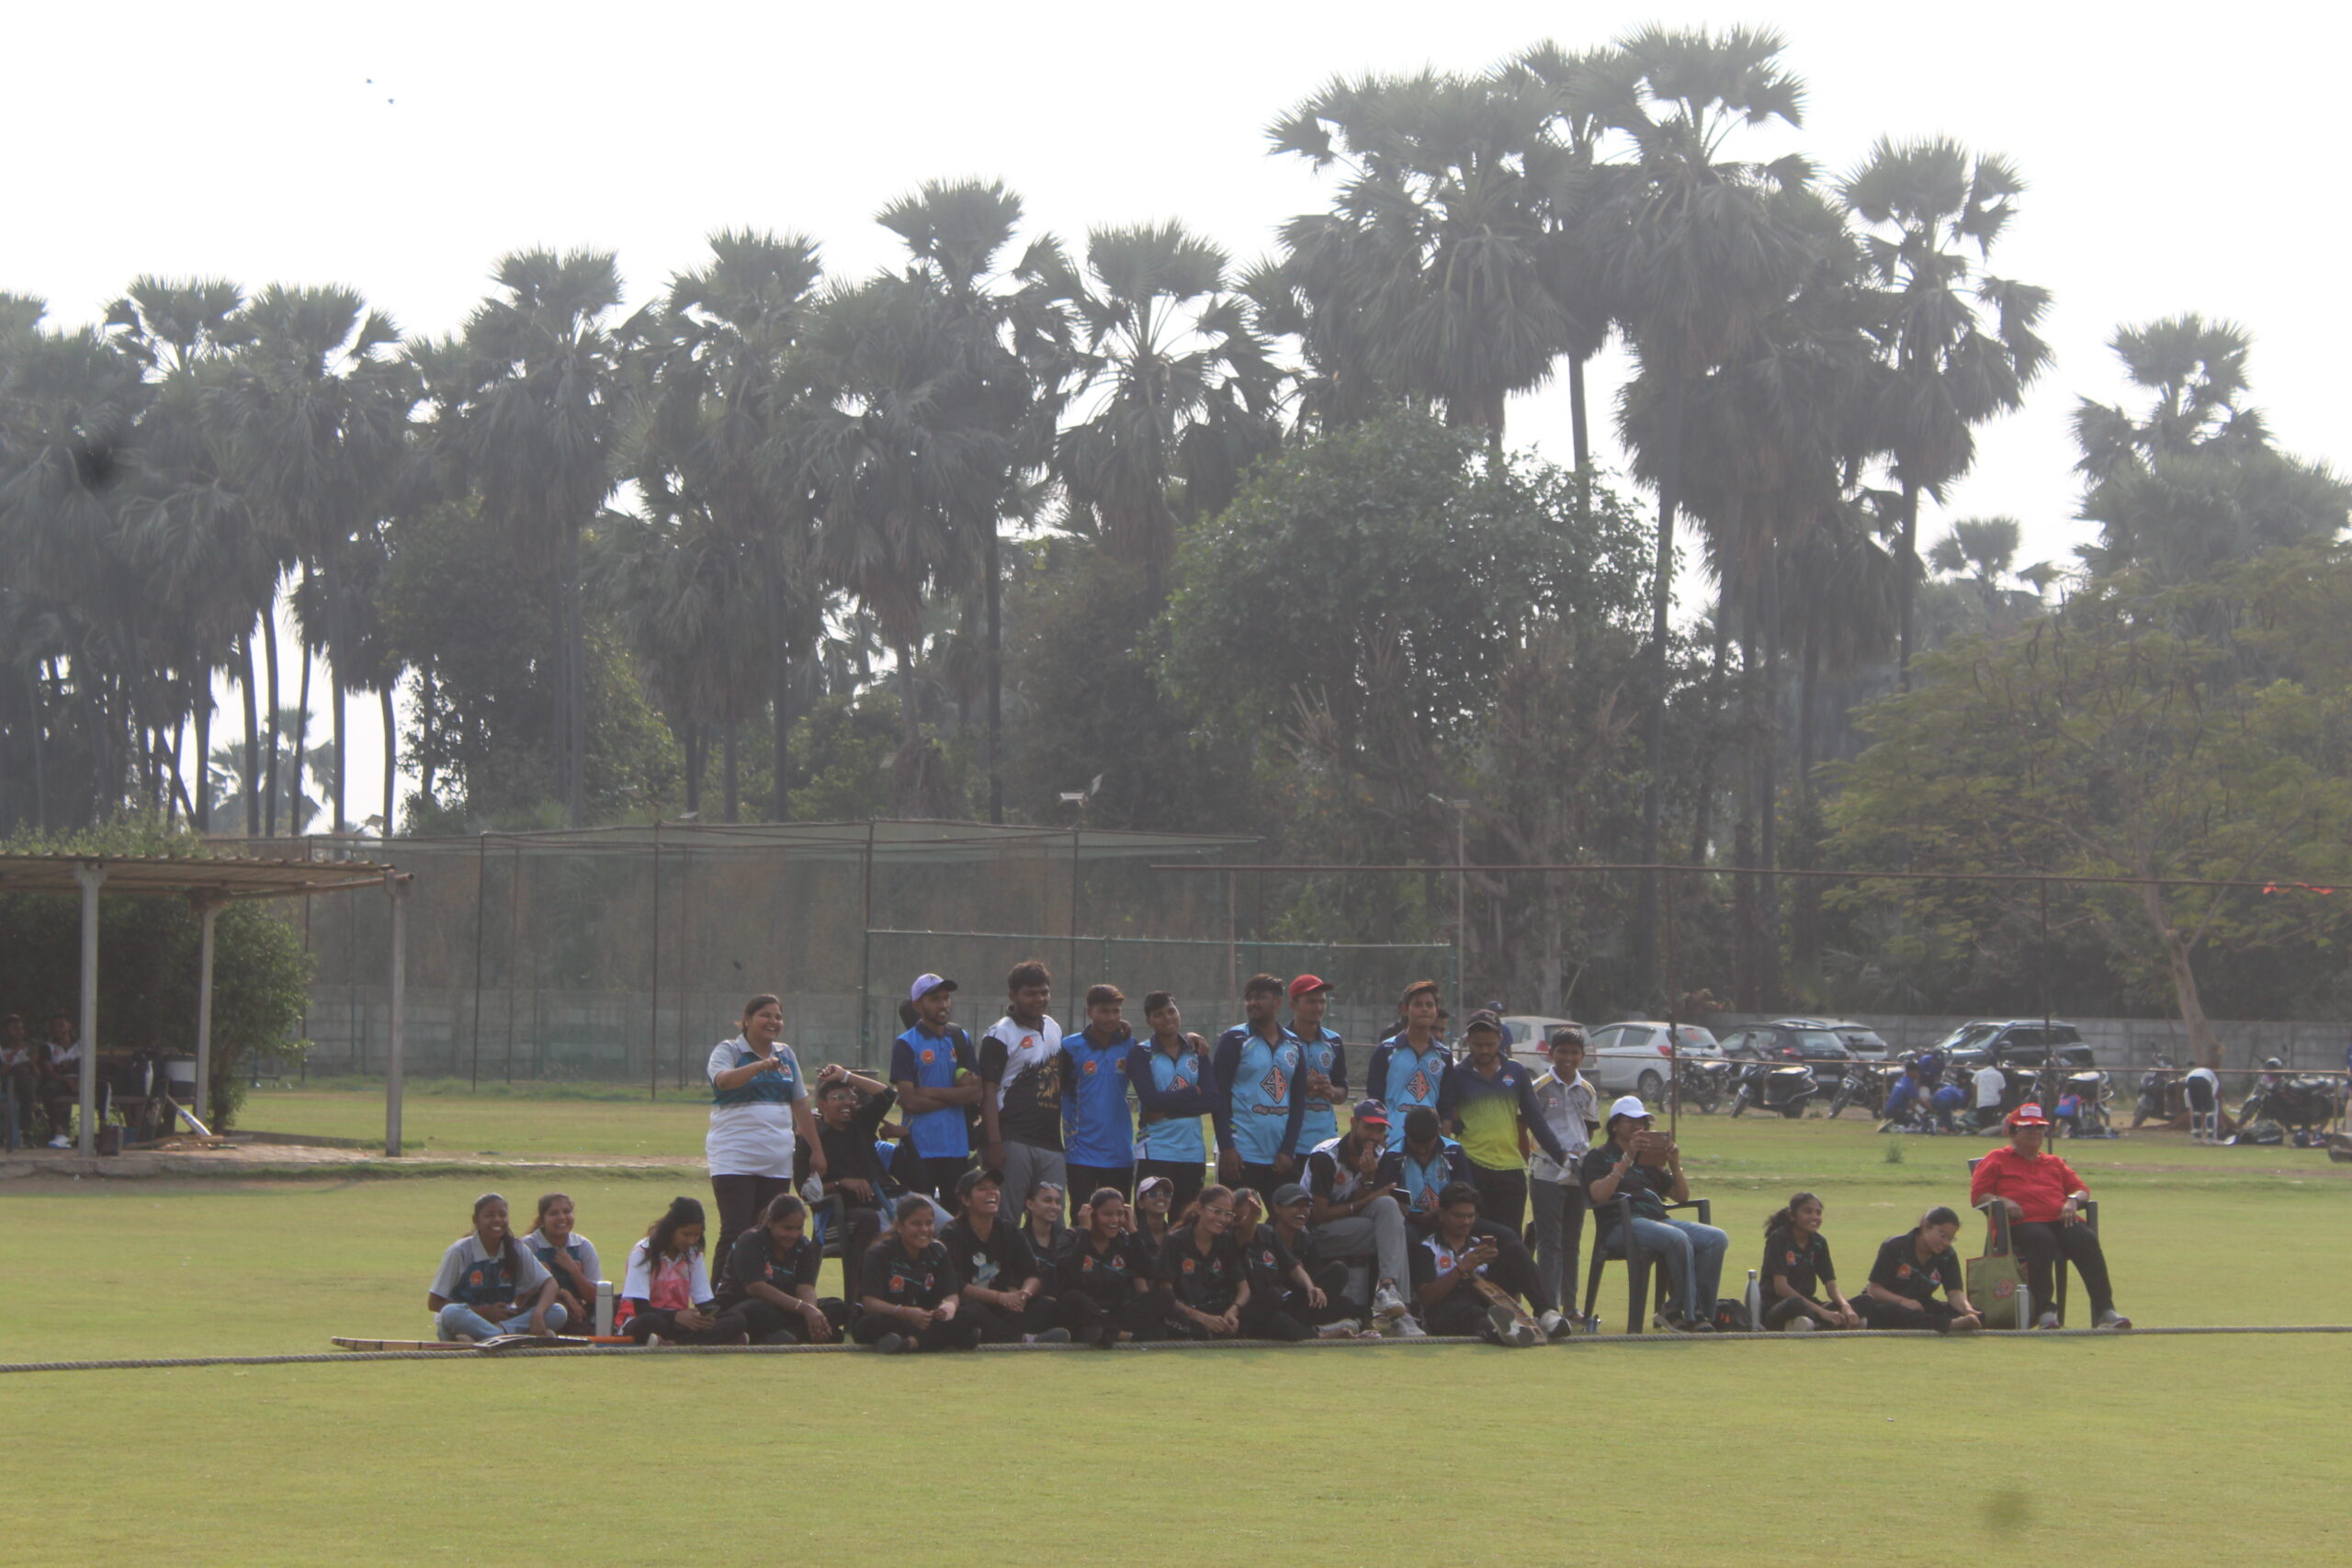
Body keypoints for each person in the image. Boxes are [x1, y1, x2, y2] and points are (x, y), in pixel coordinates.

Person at [1969, 1103, 2131, 1329]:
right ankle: (2045, 1311)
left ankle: (2105, 1309)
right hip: (2021, 1223)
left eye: (2040, 1127)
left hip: (2059, 1219)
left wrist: (2072, 1200)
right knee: (2041, 1239)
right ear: (2013, 1132)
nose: (2035, 1132)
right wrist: (2004, 1201)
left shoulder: (2054, 1162)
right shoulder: (1996, 1158)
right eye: (2028, 1128)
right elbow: (1979, 1196)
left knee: (2085, 1238)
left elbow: (2081, 1189)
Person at [1579, 1095, 1727, 1333]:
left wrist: (1674, 1163)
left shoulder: (1648, 1158)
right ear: (1615, 1125)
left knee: (1716, 1238)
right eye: (1631, 1121)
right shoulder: (1599, 1155)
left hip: (1658, 1221)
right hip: (1621, 1225)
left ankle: (1682, 1309)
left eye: (1642, 1123)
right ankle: (1689, 1314)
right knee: (1677, 1237)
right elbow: (1598, 1195)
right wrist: (1626, 1158)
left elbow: (1681, 1196)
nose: (1637, 1127)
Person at [705, 994, 823, 1256]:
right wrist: (759, 1067)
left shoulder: (785, 1054)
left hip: (776, 1160)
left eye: (778, 1017)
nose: (773, 1021)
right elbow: (722, 1081)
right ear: (747, 1019)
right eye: (765, 1015)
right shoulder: (729, 1050)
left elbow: (800, 1103)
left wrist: (816, 1150)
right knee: (736, 1231)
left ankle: (761, 1282)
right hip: (734, 1156)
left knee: (769, 1233)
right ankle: (724, 1284)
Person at [1439, 1009, 1567, 1231]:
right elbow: (1447, 1119)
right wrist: (1443, 1160)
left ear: (1500, 1039)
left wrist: (1561, 1156)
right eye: (1478, 1045)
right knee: (1474, 1235)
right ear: (1468, 1041)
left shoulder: (1516, 1072)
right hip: (1471, 1165)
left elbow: (1535, 1118)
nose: (1484, 1050)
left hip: (1510, 1168)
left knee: (1509, 1239)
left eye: (1490, 1044)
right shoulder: (1458, 1075)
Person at [1300, 1100, 1418, 1334]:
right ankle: (1402, 1315)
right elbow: (1320, 1215)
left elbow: (1374, 1200)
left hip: (1352, 1226)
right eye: (1369, 1127)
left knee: (1388, 1208)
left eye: (1380, 1130)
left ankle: (1387, 1289)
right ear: (1354, 1123)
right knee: (1392, 1233)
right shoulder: (1325, 1157)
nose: (1374, 1136)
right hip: (1315, 1232)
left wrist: (1369, 1180)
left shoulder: (1381, 1156)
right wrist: (1369, 1195)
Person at [1408, 1183, 1569, 1345]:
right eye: (1459, 1216)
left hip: (1484, 1300)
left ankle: (1545, 1312)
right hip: (1447, 1310)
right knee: (1468, 1309)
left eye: (1470, 1216)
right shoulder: (1427, 1248)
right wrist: (1461, 1269)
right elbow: (1427, 1299)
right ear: (1442, 1214)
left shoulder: (1478, 1245)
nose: (1466, 1222)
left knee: (1514, 1249)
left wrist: (1494, 1265)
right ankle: (1500, 1329)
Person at [794, 1066, 898, 1305]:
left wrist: (846, 1076)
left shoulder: (860, 1125)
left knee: (930, 1220)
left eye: (851, 1097)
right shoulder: (811, 1139)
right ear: (821, 1104)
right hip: (837, 1214)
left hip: (882, 1203)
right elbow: (805, 1191)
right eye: (838, 1097)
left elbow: (887, 1095)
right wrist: (842, 1184)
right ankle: (861, 1302)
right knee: (872, 1223)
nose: (847, 1103)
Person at [941, 1168, 1069, 1344]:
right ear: (965, 1199)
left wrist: (1024, 1294)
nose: (991, 1193)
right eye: (982, 1189)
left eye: (994, 1188)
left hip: (1004, 1306)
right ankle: (1023, 1339)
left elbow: (1033, 1273)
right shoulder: (951, 1233)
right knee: (968, 1312)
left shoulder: (1009, 1230)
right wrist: (1000, 1297)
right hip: (971, 1302)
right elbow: (955, 1285)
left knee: (1047, 1306)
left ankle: (990, 1335)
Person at [978, 959, 1067, 1211]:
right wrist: (994, 1143)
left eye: (1044, 992)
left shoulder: (1053, 1027)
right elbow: (987, 1093)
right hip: (1012, 1138)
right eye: (1031, 994)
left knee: (1052, 1218)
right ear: (1013, 995)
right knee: (1007, 1216)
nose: (1039, 999)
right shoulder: (1000, 1034)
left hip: (1050, 1141)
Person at [1212, 975, 1306, 1201]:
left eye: (1260, 997)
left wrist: (1288, 1149)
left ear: (1277, 1002)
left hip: (1279, 1157)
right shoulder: (1234, 1039)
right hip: (1241, 1153)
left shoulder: (1294, 1044)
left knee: (1287, 1217)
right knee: (1234, 1218)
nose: (1253, 1003)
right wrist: (1227, 1147)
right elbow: (1218, 1097)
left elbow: (1298, 1102)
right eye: (1249, 998)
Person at [1529, 1026, 1600, 1322]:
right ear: (1551, 1053)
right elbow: (1527, 1126)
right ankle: (1549, 1308)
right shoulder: (1539, 1087)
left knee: (1572, 1241)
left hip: (1577, 1174)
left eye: (1574, 1053)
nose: (1568, 1058)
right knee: (1549, 1241)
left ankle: (1570, 1307)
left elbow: (1590, 1128)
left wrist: (1578, 1159)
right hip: (1546, 1171)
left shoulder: (1587, 1090)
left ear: (1582, 1055)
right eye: (1562, 1052)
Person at [1126, 991, 1219, 1214]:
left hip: (1192, 1152)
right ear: (1149, 1021)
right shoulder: (1141, 1053)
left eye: (1171, 1011)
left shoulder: (1197, 1050)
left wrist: (1165, 1111)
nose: (1167, 1018)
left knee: (1185, 1223)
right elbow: (1150, 1099)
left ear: (1179, 1013)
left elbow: (1212, 1100)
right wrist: (1193, 1091)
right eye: (1159, 1014)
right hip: (1154, 1150)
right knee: (1150, 1221)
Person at [428, 1191, 565, 1342]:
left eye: (502, 1215)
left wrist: (538, 1314)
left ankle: (497, 1335)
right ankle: (507, 1338)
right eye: (489, 1216)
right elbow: (434, 1303)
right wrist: (484, 1312)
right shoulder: (459, 1251)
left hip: (504, 1320)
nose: (497, 1220)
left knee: (558, 1312)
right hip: (468, 1321)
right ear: (476, 1220)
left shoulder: (515, 1248)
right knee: (450, 1312)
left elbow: (550, 1284)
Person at [890, 974, 981, 1199]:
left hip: (957, 1147)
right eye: (934, 999)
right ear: (917, 1005)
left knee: (956, 1214)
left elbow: (975, 1093)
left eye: (946, 998)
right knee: (920, 1213)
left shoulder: (960, 1038)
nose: (943, 1004)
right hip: (920, 1148)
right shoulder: (906, 1044)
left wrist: (929, 1092)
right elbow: (910, 1102)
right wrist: (956, 1097)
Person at [854, 1194, 981, 1353]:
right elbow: (870, 1302)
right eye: (916, 1224)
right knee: (869, 1325)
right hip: (894, 1316)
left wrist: (948, 1307)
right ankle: (950, 1339)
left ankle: (910, 1343)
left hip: (927, 1318)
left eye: (929, 1223)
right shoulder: (879, 1253)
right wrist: (905, 1313)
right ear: (900, 1226)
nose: (924, 1230)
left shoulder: (938, 1251)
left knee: (971, 1312)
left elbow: (951, 1294)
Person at [717, 1192, 845, 1345]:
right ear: (770, 1223)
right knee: (759, 1309)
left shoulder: (804, 1246)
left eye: (799, 1228)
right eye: (787, 1228)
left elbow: (806, 1287)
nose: (793, 1235)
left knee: (836, 1306)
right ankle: (799, 1335)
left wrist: (813, 1312)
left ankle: (790, 1336)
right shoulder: (750, 1241)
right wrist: (804, 1309)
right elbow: (756, 1288)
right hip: (748, 1305)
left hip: (788, 1307)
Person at [620, 1195, 747, 1345]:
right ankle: (704, 1341)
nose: (691, 1241)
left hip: (680, 1324)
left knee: (737, 1319)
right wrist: (676, 1316)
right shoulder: (643, 1253)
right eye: (686, 1234)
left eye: (696, 1235)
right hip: (647, 1319)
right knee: (649, 1322)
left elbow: (704, 1301)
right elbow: (641, 1308)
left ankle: (672, 1343)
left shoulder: (693, 1254)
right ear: (671, 1229)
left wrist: (705, 1317)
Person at [1057, 1187, 1170, 1347]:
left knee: (1164, 1296)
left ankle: (1105, 1333)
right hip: (1085, 1312)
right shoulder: (1071, 1237)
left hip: (1117, 1314)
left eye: (1119, 1214)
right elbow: (1069, 1272)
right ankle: (1119, 1335)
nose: (1115, 1220)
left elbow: (1151, 1271)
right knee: (1072, 1298)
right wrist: (1085, 1231)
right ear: (1092, 1214)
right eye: (1107, 1214)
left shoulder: (1122, 1239)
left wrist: (1132, 1230)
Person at [1227, 1189, 1343, 1340]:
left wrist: (1311, 1287)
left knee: (1338, 1272)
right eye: (1238, 1219)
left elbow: (1294, 1267)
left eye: (1249, 1217)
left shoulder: (1268, 1233)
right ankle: (1318, 1335)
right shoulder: (1230, 1238)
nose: (1243, 1223)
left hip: (1283, 1301)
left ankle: (1302, 1326)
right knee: (1274, 1306)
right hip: (1256, 1307)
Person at [1062, 985, 1137, 1200]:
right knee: (1082, 1215)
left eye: (1116, 1011)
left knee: (1118, 1215)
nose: (1111, 1017)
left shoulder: (1129, 1045)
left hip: (1120, 1152)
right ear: (1090, 1012)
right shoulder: (1070, 1047)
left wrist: (1190, 1038)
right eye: (1104, 1011)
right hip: (1081, 1153)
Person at [1860, 1206, 1984, 1332]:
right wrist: (1903, 1301)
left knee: (1979, 1314)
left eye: (1950, 1239)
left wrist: (1967, 1309)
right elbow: (1873, 1289)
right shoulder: (1895, 1246)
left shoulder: (1948, 1255)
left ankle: (1946, 1322)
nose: (1946, 1243)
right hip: (1890, 1304)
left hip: (1921, 1305)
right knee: (1890, 1312)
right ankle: (1948, 1325)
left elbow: (1954, 1293)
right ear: (1926, 1226)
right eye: (1942, 1235)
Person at [1264, 1183, 1365, 1331]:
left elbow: (1316, 1277)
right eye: (1295, 1205)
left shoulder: (1305, 1241)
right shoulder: (1264, 1238)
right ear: (1277, 1208)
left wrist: (1313, 1289)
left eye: (1306, 1206)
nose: (1303, 1210)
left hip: (1305, 1300)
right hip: (1278, 1302)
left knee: (1346, 1300)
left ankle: (1309, 1326)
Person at [1365, 981, 1451, 1151]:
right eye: (1418, 1005)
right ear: (1405, 1009)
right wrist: (1379, 1139)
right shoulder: (1386, 1050)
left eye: (1429, 1005)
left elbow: (1446, 1106)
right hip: (1392, 1142)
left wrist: (1444, 1146)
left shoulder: (1444, 1055)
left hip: (1430, 1145)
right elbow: (1375, 1099)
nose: (1424, 1009)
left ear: (1436, 1010)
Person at [1758, 1191, 1860, 1330]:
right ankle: (1826, 1322)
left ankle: (1816, 1323)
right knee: (1795, 1303)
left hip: (1809, 1303)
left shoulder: (1819, 1242)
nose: (1815, 1217)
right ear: (1792, 1215)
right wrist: (1822, 1312)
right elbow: (1781, 1288)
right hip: (1779, 1305)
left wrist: (1846, 1307)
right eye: (1808, 1211)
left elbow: (1830, 1284)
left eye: (1818, 1213)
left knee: (1865, 1301)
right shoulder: (1779, 1238)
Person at [1161, 1183, 1250, 1339]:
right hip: (1187, 1312)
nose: (1222, 1219)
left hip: (1218, 1310)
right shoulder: (1175, 1241)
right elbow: (1165, 1293)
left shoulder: (1225, 1240)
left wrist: (1233, 1311)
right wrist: (1201, 1317)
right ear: (1199, 1208)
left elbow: (1244, 1288)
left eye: (1228, 1214)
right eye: (1216, 1211)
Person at [1375, 1105, 1472, 1233]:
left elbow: (1467, 1193)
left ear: (1438, 1131)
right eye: (1416, 1144)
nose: (1422, 1150)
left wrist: (1442, 1211)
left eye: (1427, 1144)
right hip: (1407, 1222)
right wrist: (1401, 1207)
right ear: (1405, 1131)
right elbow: (1384, 1195)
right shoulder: (1393, 1155)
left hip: (1448, 1220)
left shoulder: (1453, 1151)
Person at [1285, 976, 1348, 1162]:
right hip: (1290, 1142)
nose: (1318, 1007)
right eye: (1311, 1001)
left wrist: (1330, 1091)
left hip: (1326, 1141)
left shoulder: (1334, 1041)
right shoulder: (1281, 1041)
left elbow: (1342, 1092)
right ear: (1293, 1005)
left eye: (1322, 1002)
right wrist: (1302, 1084)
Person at [521, 1192, 602, 1330]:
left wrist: (574, 1270)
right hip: (544, 1312)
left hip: (579, 1313)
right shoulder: (529, 1246)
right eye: (554, 1213)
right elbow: (523, 1296)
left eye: (567, 1212)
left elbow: (594, 1297)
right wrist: (564, 1295)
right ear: (542, 1219)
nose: (562, 1217)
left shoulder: (583, 1246)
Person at [38, 1010, 82, 1147]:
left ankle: (104, 1131)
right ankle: (59, 1133)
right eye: (54, 1026)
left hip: (82, 1082)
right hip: (60, 1082)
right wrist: (66, 1080)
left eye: (61, 1025)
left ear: (70, 1026)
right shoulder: (48, 1047)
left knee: (104, 1086)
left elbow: (91, 1066)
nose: (57, 1029)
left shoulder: (81, 1045)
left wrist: (80, 1081)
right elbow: (48, 1072)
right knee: (48, 1088)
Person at [1021, 1180, 1077, 1276]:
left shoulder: (1066, 1241)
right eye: (1047, 1200)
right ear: (1030, 1204)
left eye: (1058, 1202)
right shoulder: (1017, 1239)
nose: (1054, 1206)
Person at [0, 1014, 38, 1146]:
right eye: (15, 1028)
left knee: (24, 1072)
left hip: (29, 1084)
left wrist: (32, 1062)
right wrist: (14, 1055)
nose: (19, 1032)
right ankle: (27, 1131)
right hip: (7, 1083)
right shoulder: (2, 1050)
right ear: (4, 1031)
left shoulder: (30, 1049)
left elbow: (38, 1073)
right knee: (21, 1071)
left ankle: (26, 1132)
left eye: (21, 1028)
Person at [1134, 1173, 1176, 1251]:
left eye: (1166, 1194)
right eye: (1153, 1194)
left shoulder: (1176, 1236)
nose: (1161, 1197)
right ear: (1140, 1203)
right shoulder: (1133, 1235)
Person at [2183, 1061, 2222, 1143]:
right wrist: (2208, 1106)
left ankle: (2197, 1137)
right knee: (2210, 1111)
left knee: (2196, 1111)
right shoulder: (2214, 1079)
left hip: (2190, 1081)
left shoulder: (2194, 1072)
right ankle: (2210, 1137)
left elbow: (2187, 1091)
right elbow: (2212, 1095)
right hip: (2203, 1081)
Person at [1972, 1059, 2008, 1132]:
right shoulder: (1999, 1074)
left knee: (1983, 1122)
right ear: (1996, 1065)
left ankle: (1983, 1131)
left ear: (1986, 1064)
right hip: (1994, 1102)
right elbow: (2002, 1090)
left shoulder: (1979, 1073)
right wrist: (2003, 1100)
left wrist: (1976, 1098)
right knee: (1991, 1122)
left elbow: (1974, 1087)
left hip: (1981, 1101)